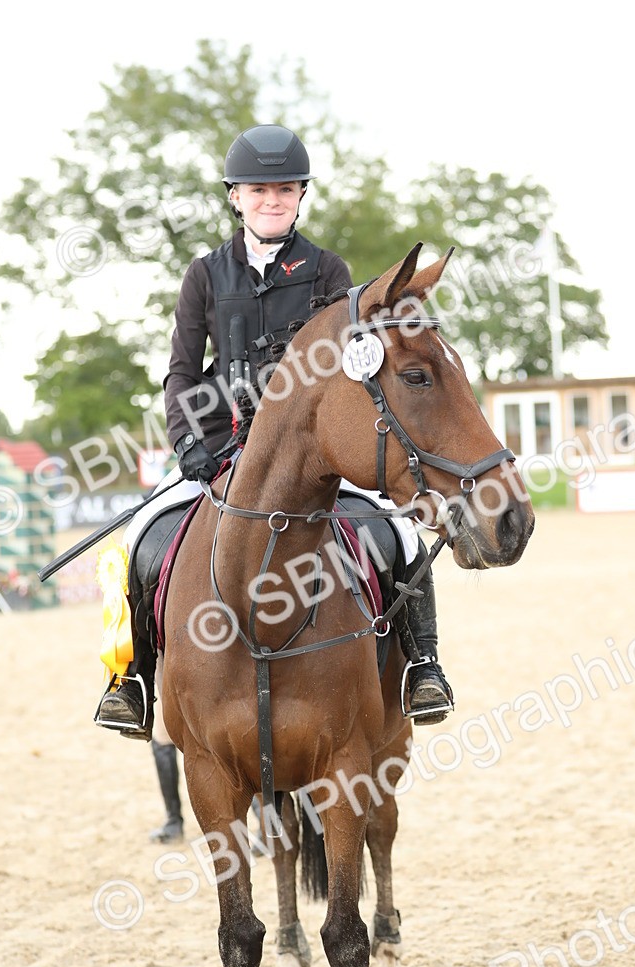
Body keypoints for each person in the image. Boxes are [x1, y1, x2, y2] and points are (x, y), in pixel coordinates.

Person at [96, 123, 454, 740]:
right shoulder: (205, 275)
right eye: (259, 190)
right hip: (217, 448)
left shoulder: (325, 270)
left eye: (285, 190)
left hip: (310, 457)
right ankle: (135, 682)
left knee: (400, 535)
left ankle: (423, 664)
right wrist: (188, 444)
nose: (272, 201)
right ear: (235, 196)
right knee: (137, 541)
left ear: (300, 196)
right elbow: (181, 372)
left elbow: (353, 366)